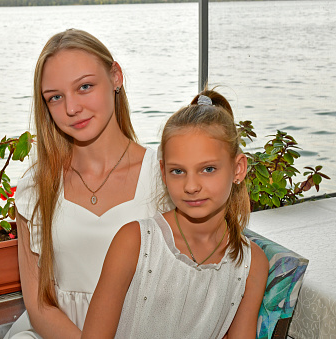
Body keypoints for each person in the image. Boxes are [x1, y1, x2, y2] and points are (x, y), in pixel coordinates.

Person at [5, 29, 170, 339]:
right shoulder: (36, 187)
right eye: (55, 97)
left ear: (116, 77)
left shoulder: (164, 179)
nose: (71, 108)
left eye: (84, 86)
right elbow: (40, 306)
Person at [81, 89, 269, 339]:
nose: (191, 186)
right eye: (178, 171)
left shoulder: (251, 264)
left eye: (208, 169)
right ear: (163, 171)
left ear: (238, 169)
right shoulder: (134, 242)